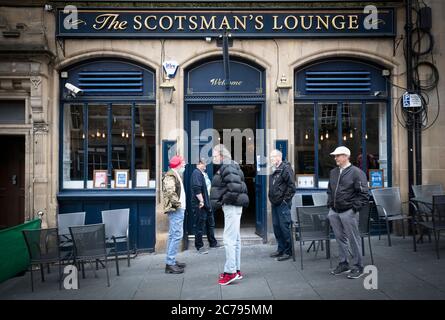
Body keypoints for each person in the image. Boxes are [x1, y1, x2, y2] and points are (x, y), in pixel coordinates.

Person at [327, 146, 369, 279]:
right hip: (334, 211)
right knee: (340, 238)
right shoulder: (333, 172)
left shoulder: (357, 172)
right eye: (335, 156)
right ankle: (343, 263)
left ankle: (358, 266)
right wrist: (330, 205)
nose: (335, 158)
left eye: (337, 155)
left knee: (353, 239)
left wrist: (353, 209)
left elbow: (364, 194)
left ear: (345, 156)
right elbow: (329, 190)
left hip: (348, 211)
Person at [210, 144, 249, 285]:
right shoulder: (231, 165)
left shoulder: (227, 166)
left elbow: (234, 188)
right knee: (235, 239)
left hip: (232, 207)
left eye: (214, 155)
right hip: (235, 206)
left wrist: (223, 201)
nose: (213, 158)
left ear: (221, 155)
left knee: (229, 239)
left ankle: (230, 272)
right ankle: (236, 270)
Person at [268, 149, 296, 261]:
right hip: (275, 203)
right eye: (270, 157)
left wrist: (285, 200)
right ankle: (281, 249)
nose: (271, 159)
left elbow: (292, 187)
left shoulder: (286, 168)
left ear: (279, 157)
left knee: (284, 227)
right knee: (277, 227)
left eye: (273, 157)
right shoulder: (274, 169)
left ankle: (288, 251)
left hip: (282, 204)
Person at [162, 155, 187, 274]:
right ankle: (170, 264)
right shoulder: (170, 175)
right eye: (183, 163)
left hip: (177, 209)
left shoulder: (176, 174)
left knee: (173, 235)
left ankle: (170, 260)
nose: (184, 164)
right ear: (177, 164)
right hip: (176, 209)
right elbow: (171, 192)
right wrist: (178, 205)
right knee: (177, 235)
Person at [191, 158, 219, 254]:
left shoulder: (203, 174)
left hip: (207, 203)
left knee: (210, 224)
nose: (206, 166)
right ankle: (199, 246)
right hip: (200, 204)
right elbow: (197, 189)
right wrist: (202, 201)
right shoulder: (196, 173)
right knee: (200, 226)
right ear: (199, 164)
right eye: (204, 164)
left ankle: (213, 243)